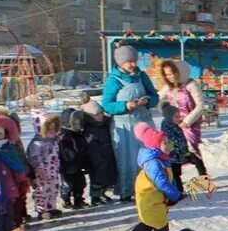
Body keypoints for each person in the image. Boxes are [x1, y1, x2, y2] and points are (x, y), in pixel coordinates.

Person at [102, 44, 158, 202]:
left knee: (148, 158)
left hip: (144, 123)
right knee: (127, 160)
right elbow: (106, 105)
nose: (134, 64)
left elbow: (155, 96)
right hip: (125, 127)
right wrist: (125, 106)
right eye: (130, 61)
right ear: (121, 63)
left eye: (135, 60)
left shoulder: (142, 76)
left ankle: (149, 188)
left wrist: (148, 100)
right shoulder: (113, 80)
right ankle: (127, 191)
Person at [124, 123, 182, 231]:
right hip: (149, 200)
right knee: (161, 226)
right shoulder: (153, 163)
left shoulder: (162, 159)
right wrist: (174, 195)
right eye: (164, 143)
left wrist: (175, 192)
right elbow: (162, 182)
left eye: (168, 141)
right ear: (155, 146)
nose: (168, 145)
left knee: (148, 222)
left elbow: (170, 179)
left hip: (155, 200)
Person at [159, 59, 207, 176]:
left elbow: (200, 105)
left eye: (171, 73)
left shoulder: (191, 84)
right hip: (173, 124)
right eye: (166, 74)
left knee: (191, 150)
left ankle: (203, 175)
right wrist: (166, 112)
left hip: (189, 125)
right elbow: (158, 99)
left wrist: (187, 121)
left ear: (179, 72)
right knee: (174, 151)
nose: (168, 77)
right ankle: (176, 180)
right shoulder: (168, 87)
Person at [80, 100, 118, 206]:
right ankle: (95, 197)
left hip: (107, 155)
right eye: (97, 115)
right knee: (97, 180)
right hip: (97, 159)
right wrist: (98, 160)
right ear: (90, 116)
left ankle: (102, 193)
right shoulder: (90, 130)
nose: (100, 116)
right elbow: (92, 147)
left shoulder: (104, 123)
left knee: (107, 177)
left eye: (101, 113)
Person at [26, 114, 63, 220]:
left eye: (53, 128)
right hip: (42, 173)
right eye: (48, 129)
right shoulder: (37, 143)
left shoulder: (54, 141)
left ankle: (51, 207)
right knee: (42, 190)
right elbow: (35, 157)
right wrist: (39, 169)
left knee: (54, 189)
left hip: (53, 171)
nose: (51, 131)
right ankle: (41, 210)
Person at [58, 108, 89, 209]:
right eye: (75, 124)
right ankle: (66, 200)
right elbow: (64, 151)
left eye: (78, 124)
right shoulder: (64, 136)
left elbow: (82, 148)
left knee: (80, 184)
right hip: (67, 166)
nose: (78, 126)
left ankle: (78, 200)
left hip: (78, 165)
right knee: (68, 185)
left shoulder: (78, 135)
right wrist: (71, 156)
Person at [159, 102, 189, 193]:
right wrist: (175, 152)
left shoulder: (174, 126)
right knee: (175, 175)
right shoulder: (168, 129)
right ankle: (177, 191)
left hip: (177, 156)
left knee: (176, 174)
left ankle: (177, 191)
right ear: (169, 117)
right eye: (176, 116)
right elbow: (172, 143)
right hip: (172, 157)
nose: (179, 118)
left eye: (179, 116)